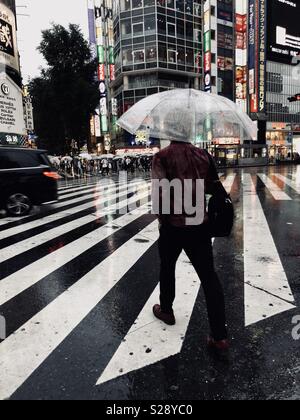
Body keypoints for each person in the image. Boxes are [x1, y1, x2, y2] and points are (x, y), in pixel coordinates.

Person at [151, 112, 229, 353]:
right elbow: (216, 189)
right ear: (188, 131)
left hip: (172, 226)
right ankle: (219, 336)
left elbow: (159, 196)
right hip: (199, 224)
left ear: (171, 131)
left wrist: (163, 221)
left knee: (167, 266)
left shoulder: (161, 157)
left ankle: (167, 310)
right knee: (209, 277)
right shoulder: (203, 155)